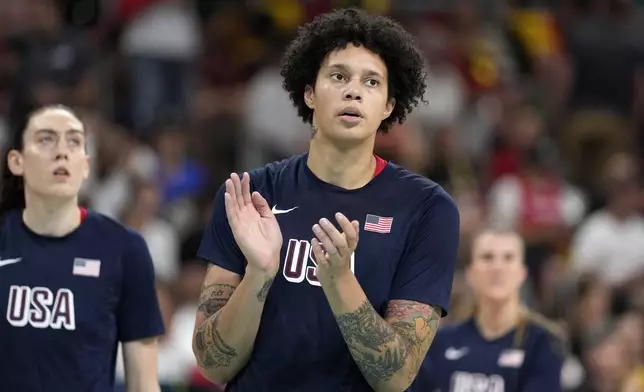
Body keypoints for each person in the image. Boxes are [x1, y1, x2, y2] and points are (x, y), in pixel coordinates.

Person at [193, 8, 460, 392]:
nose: (353, 90)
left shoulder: (427, 209)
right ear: (309, 93)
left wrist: (339, 281)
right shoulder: (250, 195)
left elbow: (396, 376)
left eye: (372, 82)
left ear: (388, 106)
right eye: (338, 76)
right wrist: (259, 273)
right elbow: (212, 364)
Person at [0, 105, 165, 391]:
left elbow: (143, 384)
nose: (62, 152)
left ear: (86, 165)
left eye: (74, 141)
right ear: (17, 162)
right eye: (46, 139)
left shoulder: (124, 250)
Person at [412, 229, 565, 392]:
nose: (497, 267)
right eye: (487, 257)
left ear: (522, 273)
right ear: (470, 273)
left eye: (508, 258)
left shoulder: (543, 343)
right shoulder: (441, 341)